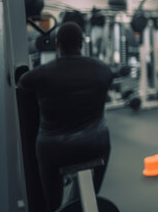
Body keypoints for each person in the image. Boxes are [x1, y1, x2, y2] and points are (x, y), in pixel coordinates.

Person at [17, 22, 113, 212]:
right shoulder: (102, 69)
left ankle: (53, 205)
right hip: (95, 144)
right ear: (81, 43)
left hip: (55, 150)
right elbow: (109, 77)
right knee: (103, 142)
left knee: (50, 198)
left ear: (57, 43)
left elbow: (22, 82)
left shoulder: (42, 74)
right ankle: (89, 197)